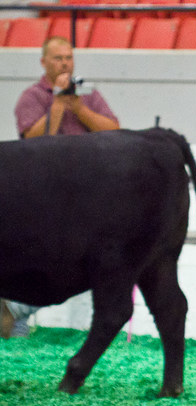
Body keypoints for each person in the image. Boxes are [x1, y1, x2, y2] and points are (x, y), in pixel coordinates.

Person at [3, 36, 120, 338]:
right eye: (58, 58)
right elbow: (31, 141)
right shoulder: (31, 97)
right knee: (45, 256)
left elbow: (114, 131)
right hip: (45, 192)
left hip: (88, 191)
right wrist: (57, 106)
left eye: (68, 57)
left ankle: (15, 311)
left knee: (90, 256)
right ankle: (16, 312)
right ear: (44, 62)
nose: (65, 64)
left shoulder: (87, 94)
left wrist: (78, 108)